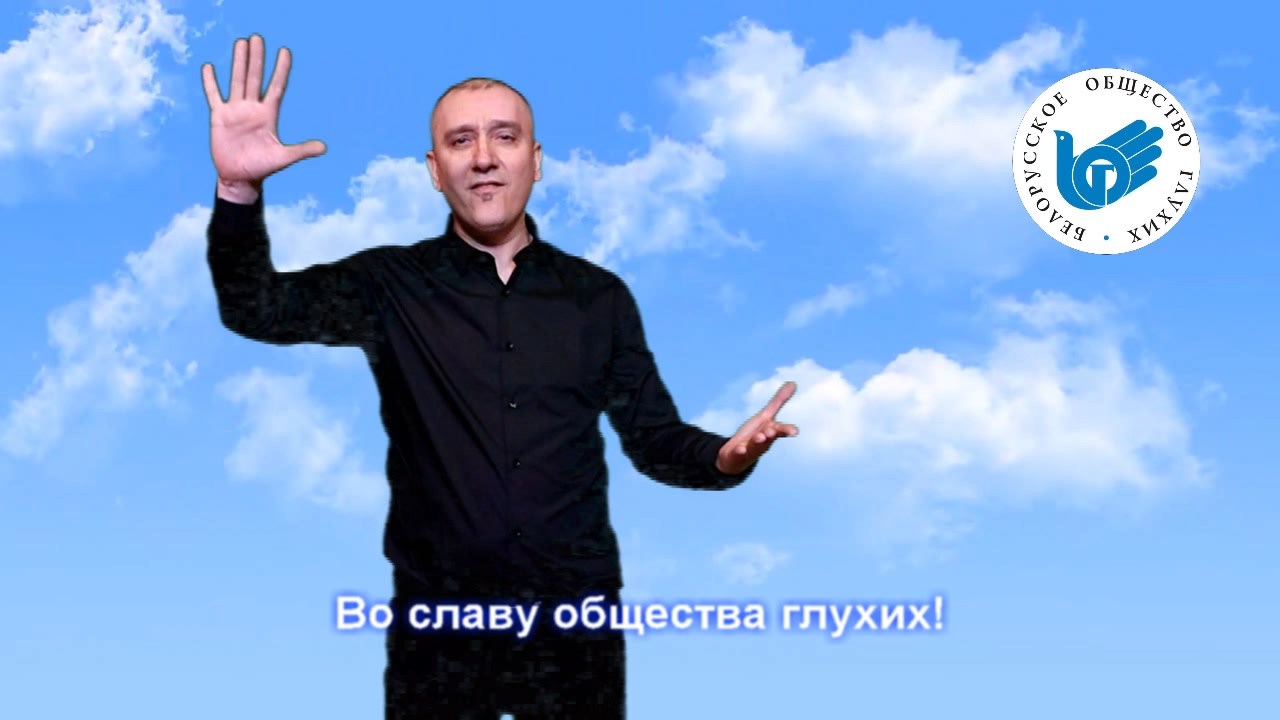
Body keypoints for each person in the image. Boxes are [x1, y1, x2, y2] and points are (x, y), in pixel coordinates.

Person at [201, 34, 799, 719]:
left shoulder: (598, 298)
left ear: (535, 160)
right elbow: (256, 309)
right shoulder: (386, 285)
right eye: (461, 141)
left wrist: (725, 456)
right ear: (435, 170)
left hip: (575, 630)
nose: (483, 157)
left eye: (504, 137)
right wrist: (238, 190)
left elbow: (654, 438)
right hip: (439, 632)